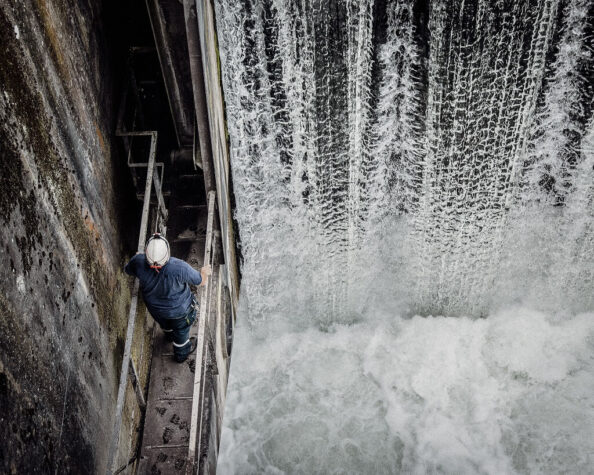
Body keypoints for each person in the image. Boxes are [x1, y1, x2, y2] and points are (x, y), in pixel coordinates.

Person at [124, 233, 212, 362]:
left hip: (156, 310)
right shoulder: (179, 267)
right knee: (181, 334)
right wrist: (204, 272)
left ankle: (169, 335)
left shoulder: (138, 262)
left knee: (166, 325)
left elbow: (128, 270)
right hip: (180, 312)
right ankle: (181, 355)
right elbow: (201, 281)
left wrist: (138, 258)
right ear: (167, 252)